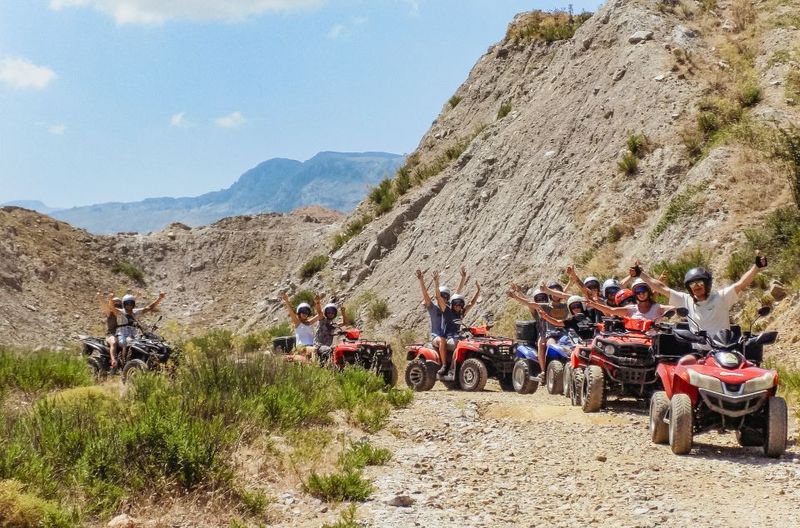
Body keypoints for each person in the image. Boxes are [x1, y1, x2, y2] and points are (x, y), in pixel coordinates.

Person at [633, 253, 767, 336]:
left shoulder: (721, 297)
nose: (696, 287)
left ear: (707, 284)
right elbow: (661, 287)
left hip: (724, 348)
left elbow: (741, 284)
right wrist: (641, 274)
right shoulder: (685, 300)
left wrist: (756, 267)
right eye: (692, 284)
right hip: (698, 351)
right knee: (683, 366)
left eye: (700, 283)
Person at [508, 281, 568, 380]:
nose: (541, 300)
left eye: (543, 298)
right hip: (545, 334)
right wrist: (517, 295)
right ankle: (543, 371)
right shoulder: (542, 308)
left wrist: (571, 280)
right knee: (542, 343)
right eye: (538, 299)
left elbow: (562, 295)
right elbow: (529, 303)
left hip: (563, 333)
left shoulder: (563, 306)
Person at [433, 271, 480, 377]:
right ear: (452, 304)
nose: (458, 306)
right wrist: (436, 282)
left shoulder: (462, 312)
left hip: (457, 336)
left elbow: (471, 303)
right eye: (455, 304)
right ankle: (445, 365)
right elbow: (438, 298)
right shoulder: (447, 310)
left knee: (471, 342)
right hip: (446, 337)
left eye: (460, 304)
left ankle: (465, 366)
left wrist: (478, 291)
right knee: (445, 341)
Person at [110, 291, 166, 363]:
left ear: (133, 304)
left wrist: (159, 299)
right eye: (127, 303)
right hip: (122, 335)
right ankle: (124, 361)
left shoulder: (136, 312)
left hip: (134, 335)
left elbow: (149, 307)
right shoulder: (121, 312)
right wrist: (111, 300)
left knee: (143, 343)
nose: (129, 305)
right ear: (124, 304)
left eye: (131, 303)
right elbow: (112, 308)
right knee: (126, 342)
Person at [587, 279, 673, 321]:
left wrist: (678, 308)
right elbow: (611, 310)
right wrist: (593, 303)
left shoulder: (658, 307)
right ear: (635, 294)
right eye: (638, 292)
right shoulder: (631, 309)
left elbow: (674, 308)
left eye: (643, 290)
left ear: (648, 291)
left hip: (653, 342)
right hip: (632, 342)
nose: (641, 294)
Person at [530, 295, 596, 341]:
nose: (576, 308)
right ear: (570, 309)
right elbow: (557, 322)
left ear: (582, 306)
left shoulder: (590, 313)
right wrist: (545, 316)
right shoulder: (572, 320)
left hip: (595, 340)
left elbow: (603, 310)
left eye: (578, 306)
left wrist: (594, 303)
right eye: (573, 307)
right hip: (583, 344)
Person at [280, 292, 322, 363]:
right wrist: (286, 301)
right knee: (314, 350)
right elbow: (291, 313)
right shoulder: (298, 323)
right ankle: (315, 368)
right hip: (302, 347)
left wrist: (317, 303)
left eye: (306, 312)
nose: (305, 314)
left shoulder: (309, 322)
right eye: (302, 311)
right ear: (299, 313)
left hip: (311, 346)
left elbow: (320, 315)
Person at [313, 296, 347, 365]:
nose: (330, 314)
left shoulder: (333, 324)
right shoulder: (322, 321)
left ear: (335, 314)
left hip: (327, 346)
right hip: (319, 346)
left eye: (332, 312)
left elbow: (345, 323)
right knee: (330, 351)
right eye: (328, 312)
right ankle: (332, 368)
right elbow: (319, 312)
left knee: (340, 351)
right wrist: (317, 303)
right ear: (325, 313)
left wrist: (343, 312)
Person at [104, 296, 122, 370]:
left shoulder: (123, 314)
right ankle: (113, 360)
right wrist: (110, 299)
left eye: (119, 303)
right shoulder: (110, 313)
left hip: (121, 334)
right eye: (115, 304)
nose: (117, 305)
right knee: (114, 342)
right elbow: (107, 306)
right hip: (111, 334)